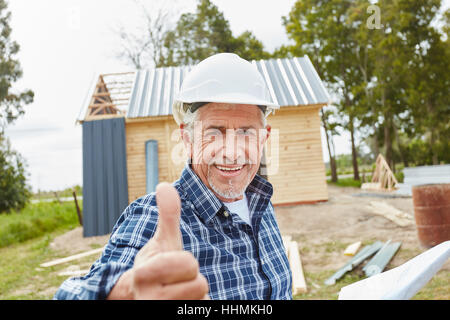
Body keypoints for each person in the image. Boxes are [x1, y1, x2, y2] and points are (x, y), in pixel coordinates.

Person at [54, 53, 292, 300]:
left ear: (264, 138)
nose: (231, 153)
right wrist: (124, 292)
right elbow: (76, 293)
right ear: (188, 139)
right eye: (214, 132)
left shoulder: (260, 202)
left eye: (246, 132)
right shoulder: (156, 217)